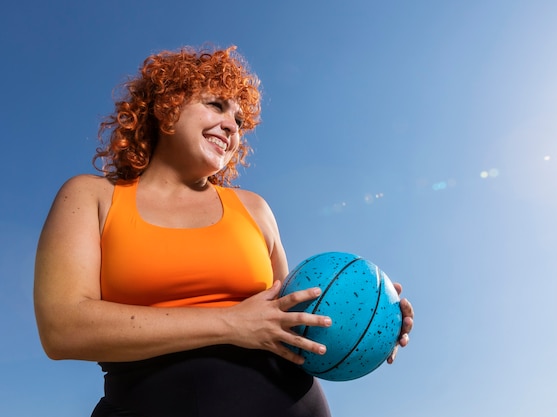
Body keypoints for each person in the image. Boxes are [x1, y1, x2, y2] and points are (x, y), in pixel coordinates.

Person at [33, 45, 414, 417]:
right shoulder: (91, 196)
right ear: (166, 108)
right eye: (215, 105)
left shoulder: (254, 208)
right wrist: (230, 323)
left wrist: (370, 320)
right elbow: (62, 328)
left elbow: (294, 326)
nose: (232, 126)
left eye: (240, 121)